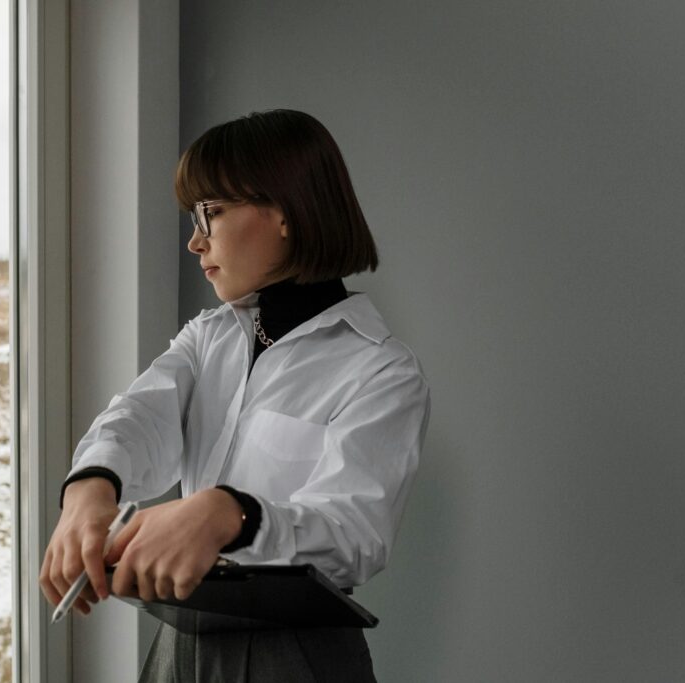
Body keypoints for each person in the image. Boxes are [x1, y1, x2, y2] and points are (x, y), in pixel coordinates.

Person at [39, 109, 430, 682]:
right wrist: (89, 489)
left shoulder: (381, 372)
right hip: (178, 648)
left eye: (211, 213)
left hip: (296, 659)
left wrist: (231, 512)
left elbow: (354, 534)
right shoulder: (207, 337)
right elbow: (137, 417)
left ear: (286, 214)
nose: (196, 241)